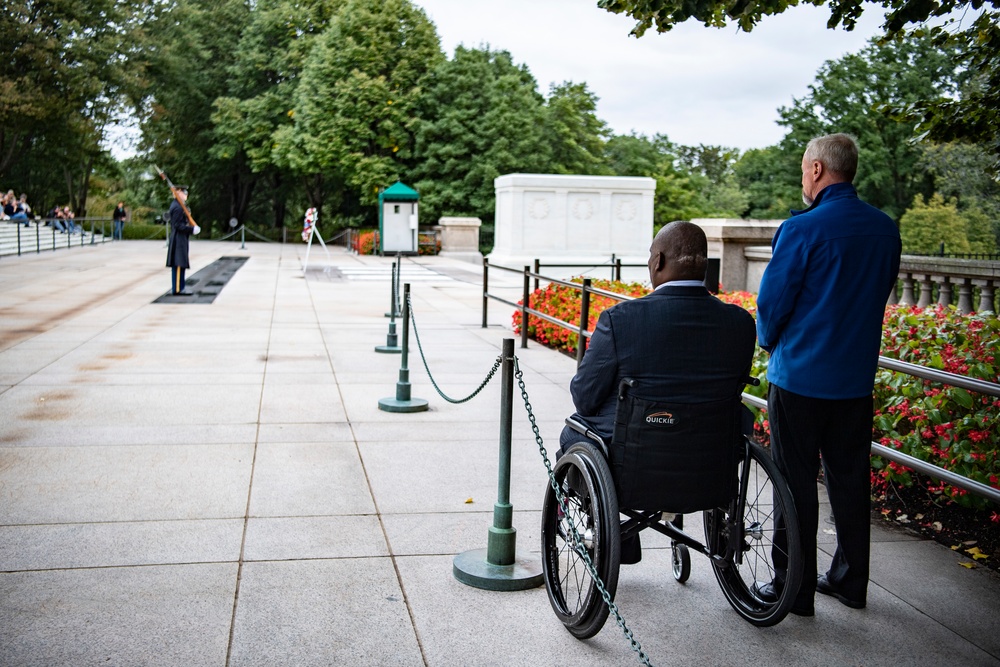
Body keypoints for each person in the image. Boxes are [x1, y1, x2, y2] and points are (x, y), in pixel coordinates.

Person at [755, 133, 902, 616]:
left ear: (817, 170)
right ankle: (850, 581)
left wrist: (770, 343)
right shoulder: (885, 229)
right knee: (850, 482)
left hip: (800, 377)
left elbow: (773, 306)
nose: (802, 176)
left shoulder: (801, 230)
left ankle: (793, 589)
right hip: (855, 379)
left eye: (803, 168)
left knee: (794, 482)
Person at [561, 221, 758, 562]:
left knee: (574, 430)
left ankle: (603, 528)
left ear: (659, 261)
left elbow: (586, 395)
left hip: (635, 465)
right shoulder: (740, 323)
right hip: (712, 464)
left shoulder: (621, 319)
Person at [165, 187, 200, 295]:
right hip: (178, 238)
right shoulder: (178, 207)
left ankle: (180, 287)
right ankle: (178, 289)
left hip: (180, 237)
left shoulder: (178, 205)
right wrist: (191, 229)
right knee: (179, 263)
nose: (185, 195)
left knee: (181, 262)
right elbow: (178, 225)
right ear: (178, 193)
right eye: (183, 193)